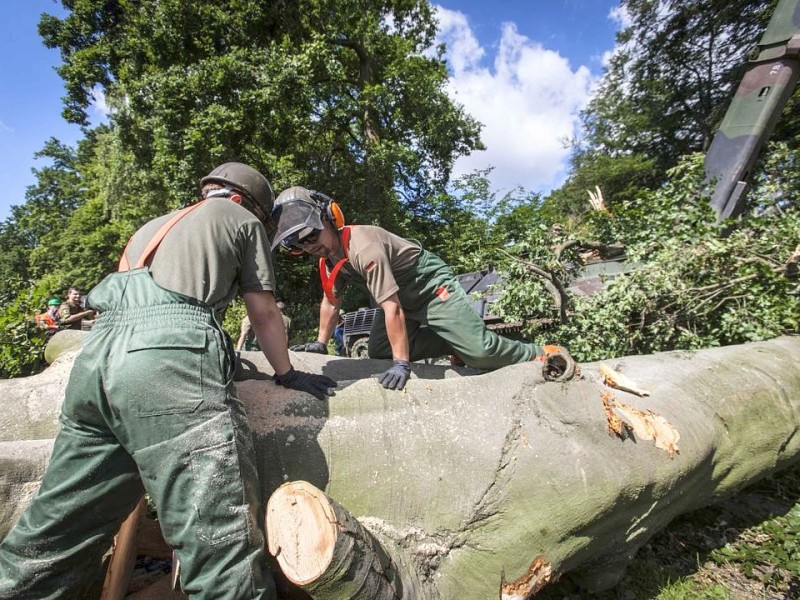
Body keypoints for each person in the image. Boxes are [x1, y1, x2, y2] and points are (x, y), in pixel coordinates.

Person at [0, 163, 336, 599]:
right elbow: (264, 311)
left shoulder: (149, 228)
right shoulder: (242, 219)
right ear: (244, 201)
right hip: (167, 369)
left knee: (58, 528)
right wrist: (287, 374)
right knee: (219, 542)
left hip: (98, 362)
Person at [269, 186, 575, 390]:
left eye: (310, 234)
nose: (307, 246)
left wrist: (403, 364)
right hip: (398, 296)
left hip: (428, 285)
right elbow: (330, 302)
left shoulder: (363, 247)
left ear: (329, 217)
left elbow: (392, 308)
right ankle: (455, 342)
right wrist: (320, 344)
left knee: (481, 352)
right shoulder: (327, 258)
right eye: (296, 244)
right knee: (378, 351)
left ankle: (538, 351)